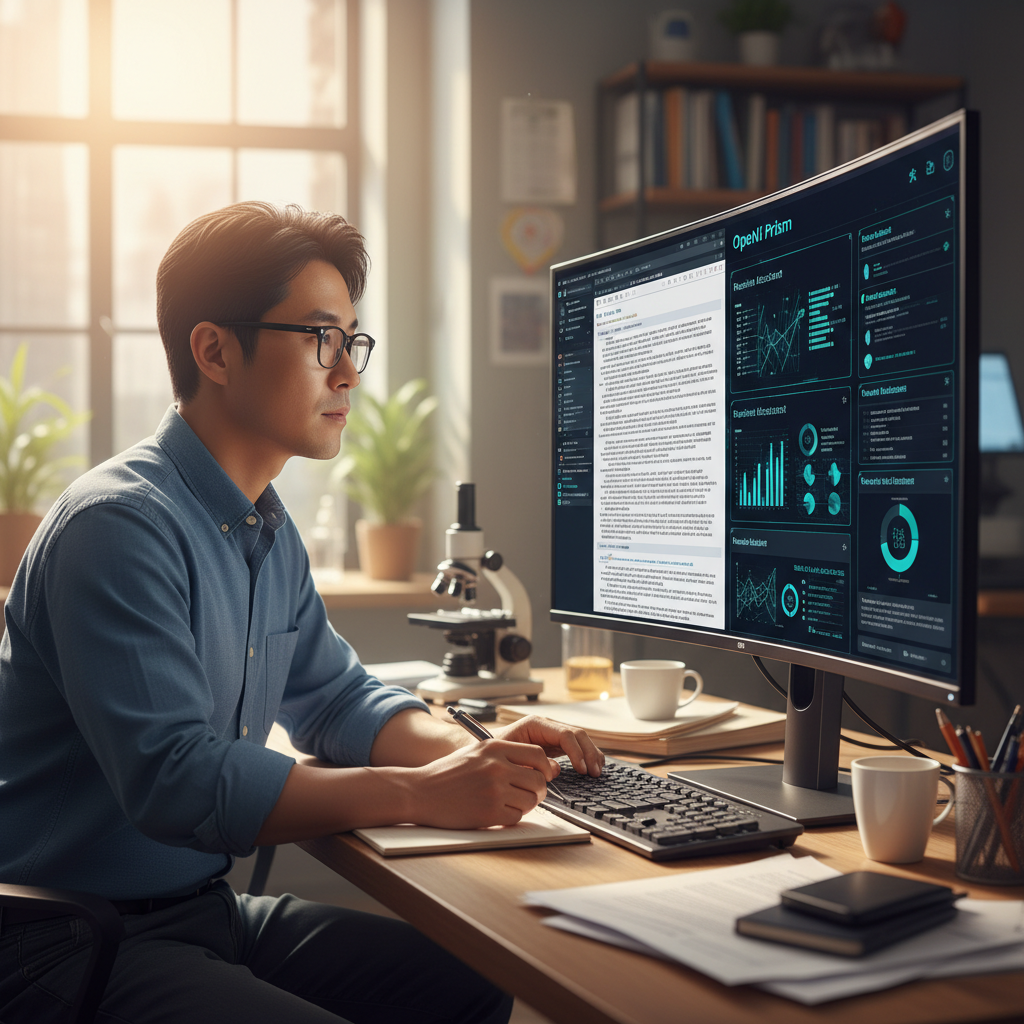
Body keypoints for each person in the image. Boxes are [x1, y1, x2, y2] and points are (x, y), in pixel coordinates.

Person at [0, 202, 604, 1024]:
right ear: (214, 350)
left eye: (351, 341)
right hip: (66, 942)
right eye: (321, 338)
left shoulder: (265, 529)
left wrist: (479, 755)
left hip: (197, 914)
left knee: (468, 982)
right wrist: (422, 793)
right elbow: (177, 781)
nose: (349, 372)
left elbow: (337, 700)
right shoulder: (118, 525)